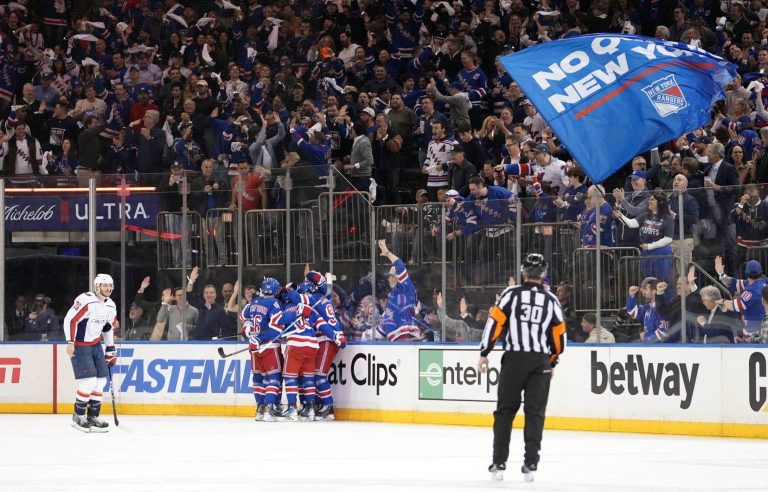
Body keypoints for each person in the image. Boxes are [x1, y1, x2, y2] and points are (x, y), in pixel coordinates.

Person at [478, 253, 566, 483]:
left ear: (523, 271)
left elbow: (494, 323)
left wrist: (485, 352)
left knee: (505, 411)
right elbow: (559, 336)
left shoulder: (511, 294)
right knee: (535, 413)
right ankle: (531, 463)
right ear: (544, 274)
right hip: (540, 361)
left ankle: (499, 462)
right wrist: (553, 360)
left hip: (515, 359)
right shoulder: (551, 299)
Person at [62, 274, 118, 432]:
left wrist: (110, 349)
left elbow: (108, 328)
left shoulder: (111, 306)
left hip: (95, 345)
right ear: (97, 287)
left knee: (100, 381)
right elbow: (70, 320)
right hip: (80, 346)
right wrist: (70, 342)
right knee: (88, 381)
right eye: (104, 285)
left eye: (110, 285)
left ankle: (93, 416)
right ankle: (78, 415)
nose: (108, 288)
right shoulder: (86, 300)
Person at [376, 239, 421, 341]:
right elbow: (387, 318)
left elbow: (399, 265)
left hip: (407, 335)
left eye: (391, 276)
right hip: (395, 339)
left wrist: (388, 253)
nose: (389, 279)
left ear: (397, 277)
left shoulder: (406, 287)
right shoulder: (392, 295)